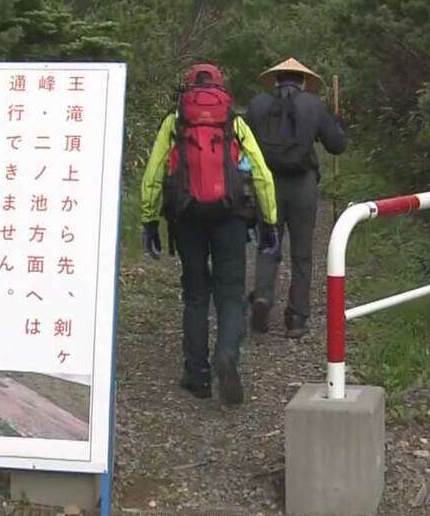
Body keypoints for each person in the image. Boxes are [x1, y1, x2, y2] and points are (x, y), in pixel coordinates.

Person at [140, 64, 279, 405]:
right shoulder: (234, 123)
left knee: (196, 294)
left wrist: (149, 220)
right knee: (231, 293)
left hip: (186, 217)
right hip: (230, 216)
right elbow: (261, 173)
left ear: (187, 88)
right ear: (221, 87)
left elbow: (155, 172)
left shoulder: (175, 123)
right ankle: (227, 353)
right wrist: (270, 222)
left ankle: (197, 375)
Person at [244, 58, 346, 338]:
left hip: (267, 183)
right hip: (303, 184)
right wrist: (336, 124)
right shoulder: (314, 105)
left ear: (276, 80)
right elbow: (336, 146)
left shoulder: (257, 105)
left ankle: (263, 296)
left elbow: (241, 145)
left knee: (268, 244)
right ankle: (297, 318)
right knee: (302, 253)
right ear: (303, 81)